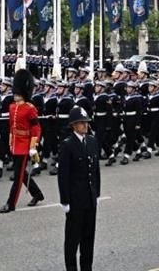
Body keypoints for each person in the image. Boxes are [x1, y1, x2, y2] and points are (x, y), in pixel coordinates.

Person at [57, 106, 101, 271]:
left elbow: (95, 170)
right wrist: (65, 201)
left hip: (90, 198)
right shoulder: (68, 145)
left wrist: (97, 194)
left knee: (88, 237)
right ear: (73, 125)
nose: (85, 125)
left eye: (86, 122)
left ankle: (86, 267)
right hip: (75, 200)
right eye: (81, 123)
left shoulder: (92, 141)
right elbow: (63, 175)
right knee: (72, 239)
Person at [0, 69, 44, 213]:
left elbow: (36, 128)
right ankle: (37, 194)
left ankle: (11, 203)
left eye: (17, 93)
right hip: (15, 143)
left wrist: (33, 146)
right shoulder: (12, 107)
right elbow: (12, 127)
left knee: (18, 176)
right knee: (22, 173)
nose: (14, 95)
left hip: (25, 144)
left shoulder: (30, 109)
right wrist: (11, 142)